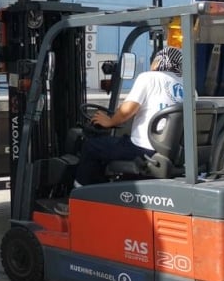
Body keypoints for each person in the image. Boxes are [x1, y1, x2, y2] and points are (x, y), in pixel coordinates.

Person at [75, 46, 184, 186]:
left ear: (158, 62)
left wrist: (109, 121)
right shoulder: (189, 87)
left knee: (91, 147)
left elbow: (127, 110)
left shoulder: (149, 78)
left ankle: (79, 196)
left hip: (144, 149)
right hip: (173, 152)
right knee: (110, 146)